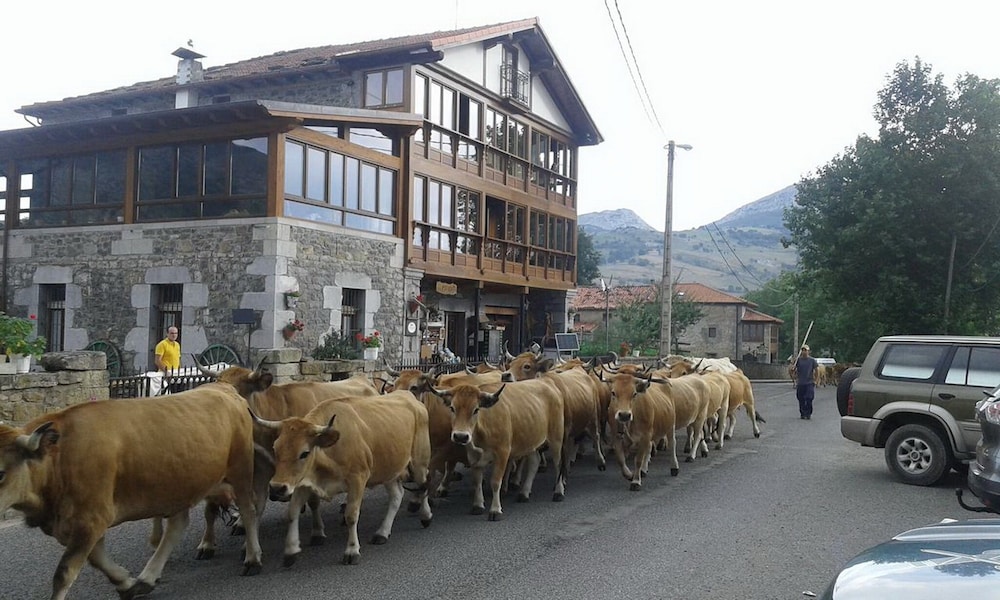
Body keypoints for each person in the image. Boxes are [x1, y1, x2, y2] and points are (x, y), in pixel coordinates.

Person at [793, 344, 819, 419]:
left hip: (809, 383)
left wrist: (816, 380)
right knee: (800, 398)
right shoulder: (798, 360)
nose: (804, 352)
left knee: (809, 398)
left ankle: (808, 413)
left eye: (806, 350)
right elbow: (794, 370)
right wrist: (793, 371)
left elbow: (817, 370)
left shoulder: (812, 360)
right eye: (803, 350)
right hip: (800, 383)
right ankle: (802, 413)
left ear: (808, 351)